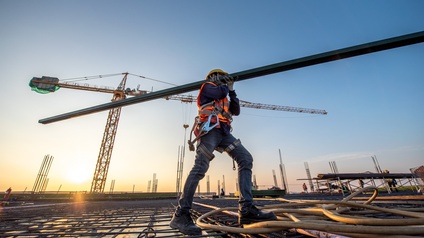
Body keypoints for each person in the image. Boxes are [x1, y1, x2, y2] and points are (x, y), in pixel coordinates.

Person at [170, 69, 277, 235]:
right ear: (213, 77)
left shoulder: (225, 94)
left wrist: (232, 90)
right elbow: (219, 90)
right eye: (219, 76)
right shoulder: (208, 87)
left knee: (245, 158)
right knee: (200, 168)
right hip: (210, 130)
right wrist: (226, 86)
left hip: (224, 133)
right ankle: (181, 215)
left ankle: (246, 210)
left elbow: (236, 110)